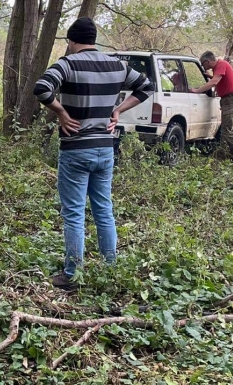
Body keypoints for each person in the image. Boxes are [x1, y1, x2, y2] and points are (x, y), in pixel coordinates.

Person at [33, 17, 156, 291]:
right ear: (94, 39)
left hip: (76, 149)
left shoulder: (67, 64)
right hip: (105, 149)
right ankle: (110, 268)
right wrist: (118, 110)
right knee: (104, 209)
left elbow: (41, 88)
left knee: (74, 213)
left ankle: (73, 274)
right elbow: (146, 86)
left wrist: (62, 113)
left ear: (72, 41)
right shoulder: (117, 65)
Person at [190, 51, 233, 160]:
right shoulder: (220, 67)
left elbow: (214, 82)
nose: (204, 67)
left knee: (227, 130)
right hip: (231, 99)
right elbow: (220, 79)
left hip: (230, 100)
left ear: (207, 61)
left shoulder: (221, 65)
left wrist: (197, 90)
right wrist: (211, 76)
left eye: (203, 65)